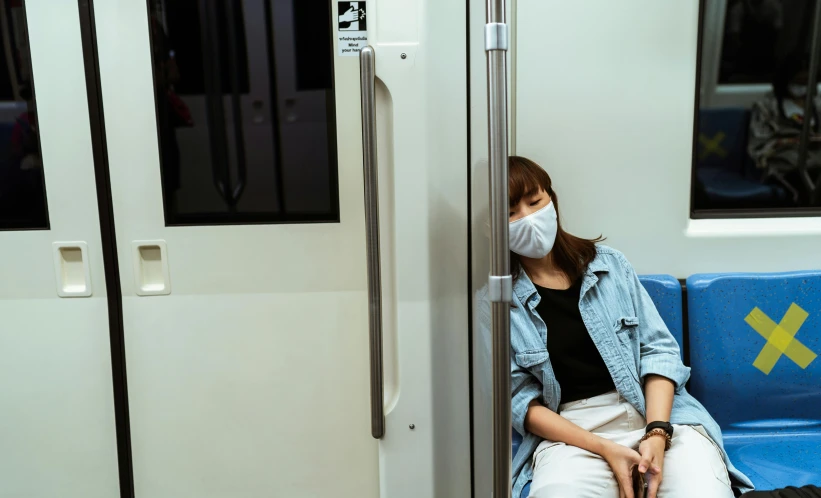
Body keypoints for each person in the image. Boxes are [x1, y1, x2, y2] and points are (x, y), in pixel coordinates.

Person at [481, 157, 755, 498]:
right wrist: (603, 448)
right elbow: (520, 403)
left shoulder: (609, 265)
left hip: (655, 414)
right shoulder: (495, 302)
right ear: (492, 227)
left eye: (534, 202)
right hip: (573, 434)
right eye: (510, 213)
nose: (527, 218)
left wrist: (657, 432)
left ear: (551, 199)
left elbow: (659, 353)